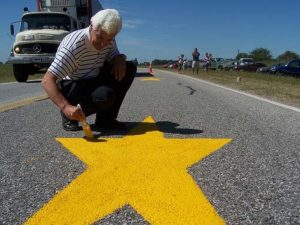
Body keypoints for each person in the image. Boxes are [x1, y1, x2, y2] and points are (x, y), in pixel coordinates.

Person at [41, 9, 136, 131]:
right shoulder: (73, 47)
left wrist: (119, 58)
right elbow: (47, 80)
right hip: (73, 85)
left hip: (93, 80)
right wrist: (65, 106)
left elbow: (113, 54)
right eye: (100, 37)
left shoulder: (108, 37)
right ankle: (70, 115)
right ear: (91, 25)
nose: (104, 44)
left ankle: (106, 120)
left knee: (128, 68)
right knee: (104, 96)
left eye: (109, 39)